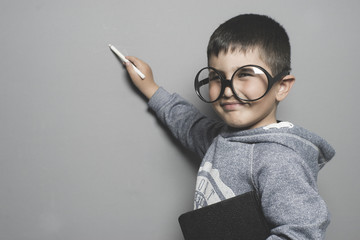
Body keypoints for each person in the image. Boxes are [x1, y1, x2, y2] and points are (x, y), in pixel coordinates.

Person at [121, 14, 335, 239]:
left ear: (281, 86)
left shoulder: (279, 160)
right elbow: (189, 125)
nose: (227, 89)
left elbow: (302, 232)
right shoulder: (223, 140)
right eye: (216, 77)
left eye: (244, 74)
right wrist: (151, 88)